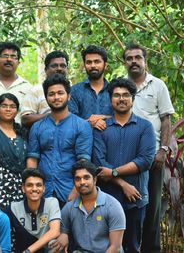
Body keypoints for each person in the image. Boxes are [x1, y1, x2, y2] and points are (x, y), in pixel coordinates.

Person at [93, 77, 156, 253]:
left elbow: (145, 160)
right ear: (110, 99)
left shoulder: (145, 127)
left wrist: (113, 172)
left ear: (133, 99)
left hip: (135, 197)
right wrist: (122, 182)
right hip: (107, 197)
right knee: (105, 246)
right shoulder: (101, 128)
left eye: (126, 95)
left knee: (133, 246)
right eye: (117, 95)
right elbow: (99, 163)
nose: (121, 99)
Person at [123, 43, 175, 253]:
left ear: (145, 60)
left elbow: (166, 119)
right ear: (124, 62)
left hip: (153, 156)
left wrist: (163, 150)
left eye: (138, 57)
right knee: (131, 207)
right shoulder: (121, 86)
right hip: (128, 158)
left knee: (152, 207)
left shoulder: (158, 85)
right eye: (129, 58)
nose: (134, 61)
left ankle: (151, 249)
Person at [27, 74, 92, 208]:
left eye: (60, 93)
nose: (56, 97)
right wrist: (32, 188)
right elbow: (32, 160)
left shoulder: (81, 125)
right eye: (51, 94)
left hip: (70, 190)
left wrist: (76, 189)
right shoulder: (37, 127)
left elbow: (83, 161)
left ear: (68, 96)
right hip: (43, 192)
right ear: (46, 98)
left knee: (70, 229)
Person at [51, 160, 125, 253]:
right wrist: (64, 234)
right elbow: (62, 230)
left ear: (94, 180)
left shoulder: (112, 205)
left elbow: (115, 247)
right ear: (74, 183)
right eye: (78, 179)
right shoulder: (69, 208)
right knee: (52, 245)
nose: (82, 182)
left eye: (86, 178)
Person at [4, 168, 61, 253]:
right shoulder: (13, 208)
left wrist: (28, 251)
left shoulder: (52, 203)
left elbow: (55, 231)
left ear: (44, 188)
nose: (34, 189)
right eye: (30, 185)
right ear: (23, 188)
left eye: (38, 185)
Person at [68, 45, 113, 130]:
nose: (93, 65)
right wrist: (88, 123)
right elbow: (71, 122)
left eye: (97, 62)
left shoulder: (114, 90)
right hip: (84, 141)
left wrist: (104, 117)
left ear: (105, 65)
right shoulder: (74, 91)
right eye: (89, 62)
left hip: (111, 141)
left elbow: (123, 117)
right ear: (84, 65)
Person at [21, 50, 69, 128]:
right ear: (46, 69)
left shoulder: (74, 90)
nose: (59, 68)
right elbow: (25, 119)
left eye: (63, 66)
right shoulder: (36, 90)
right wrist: (53, 115)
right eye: (54, 66)